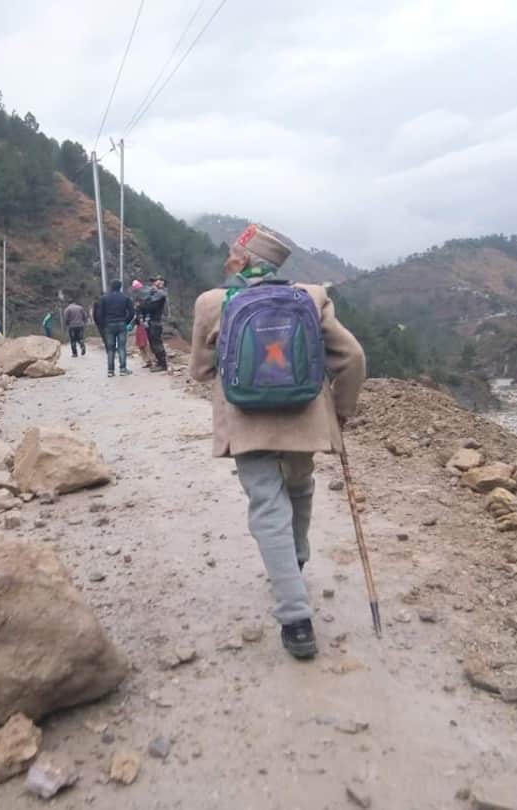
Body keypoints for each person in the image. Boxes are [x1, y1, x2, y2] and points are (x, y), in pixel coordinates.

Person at [188, 224, 366, 661]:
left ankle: (296, 619)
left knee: (267, 507)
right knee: (300, 487)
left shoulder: (213, 303)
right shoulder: (311, 297)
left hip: (247, 422)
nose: (228, 258)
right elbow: (354, 358)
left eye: (233, 253)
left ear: (244, 260)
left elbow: (199, 370)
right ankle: (297, 560)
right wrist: (339, 412)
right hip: (304, 417)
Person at [98, 280, 135, 377]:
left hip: (109, 324)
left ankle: (110, 371)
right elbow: (132, 312)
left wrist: (103, 324)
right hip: (121, 323)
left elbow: (100, 314)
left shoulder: (104, 298)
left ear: (111, 287)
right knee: (121, 347)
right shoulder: (125, 298)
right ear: (120, 287)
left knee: (110, 349)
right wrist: (126, 321)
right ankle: (123, 369)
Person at [138, 276, 169, 372]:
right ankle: (159, 362)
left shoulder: (160, 296)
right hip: (150, 322)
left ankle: (163, 364)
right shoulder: (153, 295)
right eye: (153, 282)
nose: (153, 284)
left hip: (155, 322)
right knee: (153, 344)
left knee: (156, 343)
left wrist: (142, 305)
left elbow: (149, 307)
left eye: (156, 282)